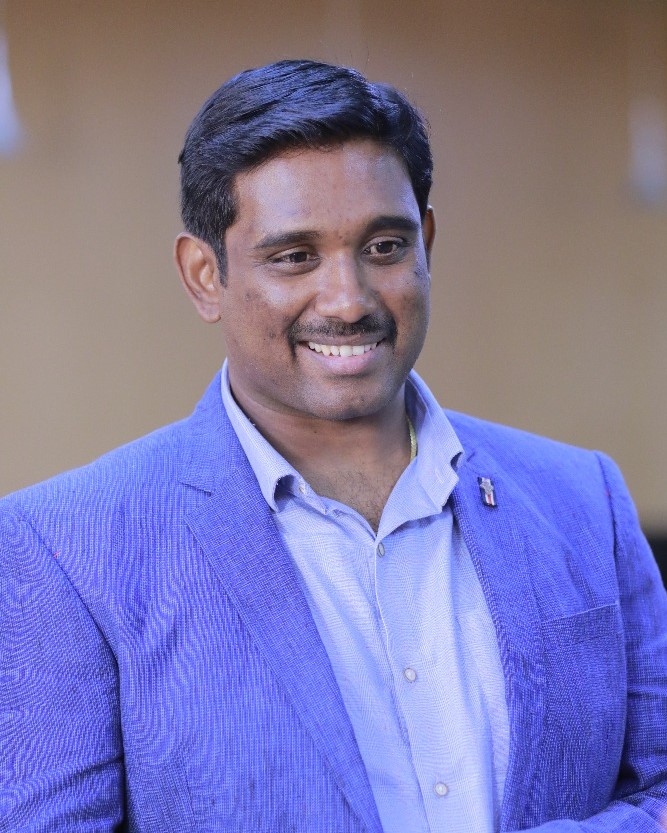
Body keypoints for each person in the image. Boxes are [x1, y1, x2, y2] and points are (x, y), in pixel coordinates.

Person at [1, 59, 666, 833]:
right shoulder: (68, 547)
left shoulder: (582, 499)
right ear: (204, 275)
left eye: (383, 246)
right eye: (294, 256)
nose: (348, 300)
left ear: (426, 243)